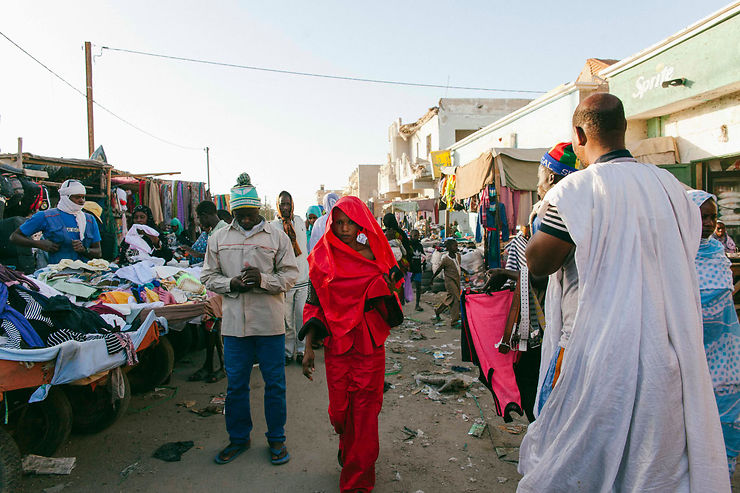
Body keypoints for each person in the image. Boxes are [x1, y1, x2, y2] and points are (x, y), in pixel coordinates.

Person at [519, 93, 728, 491]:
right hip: (663, 353)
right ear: (625, 128)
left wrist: (541, 214)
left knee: (570, 460)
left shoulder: (575, 192)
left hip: (594, 355)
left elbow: (538, 262)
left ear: (579, 134)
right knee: (647, 466)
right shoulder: (672, 189)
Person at [301, 196, 402, 493]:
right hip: (337, 344)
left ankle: (357, 482)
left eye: (349, 223)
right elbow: (313, 302)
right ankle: (349, 450)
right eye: (339, 222)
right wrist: (308, 349)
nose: (344, 229)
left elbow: (396, 291)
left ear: (360, 224)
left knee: (365, 413)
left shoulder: (377, 255)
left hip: (369, 343)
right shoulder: (323, 256)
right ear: (331, 223)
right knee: (341, 413)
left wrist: (385, 285)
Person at [201, 173, 299, 466]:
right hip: (233, 326)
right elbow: (207, 276)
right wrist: (232, 284)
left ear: (259, 211)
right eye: (240, 216)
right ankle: (239, 438)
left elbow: (291, 275)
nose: (245, 221)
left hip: (269, 324)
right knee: (236, 386)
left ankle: (277, 439)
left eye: (250, 215)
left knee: (275, 385)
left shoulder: (277, 236)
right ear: (233, 213)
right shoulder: (218, 238)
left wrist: (263, 280)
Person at [688, 189, 740, 477]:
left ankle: (721, 477)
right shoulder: (675, 254)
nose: (708, 224)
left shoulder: (717, 252)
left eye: (712, 217)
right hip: (691, 353)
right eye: (702, 216)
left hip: (724, 354)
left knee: (726, 417)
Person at [11, 179, 101, 264]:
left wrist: (85, 250)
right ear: (66, 197)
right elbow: (14, 237)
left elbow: (98, 252)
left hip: (85, 275)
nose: (81, 201)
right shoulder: (46, 216)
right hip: (56, 275)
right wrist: (38, 244)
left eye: (83, 197)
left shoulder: (89, 219)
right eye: (77, 197)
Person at [187, 200, 229, 383]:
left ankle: (223, 367)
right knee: (210, 326)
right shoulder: (214, 232)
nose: (199, 222)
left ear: (204, 216)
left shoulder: (223, 232)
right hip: (215, 285)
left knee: (218, 328)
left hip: (223, 287)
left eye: (199, 218)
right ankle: (209, 365)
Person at [273, 191, 309, 365]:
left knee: (301, 318)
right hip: (285, 281)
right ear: (278, 206)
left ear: (292, 204)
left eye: (288, 204)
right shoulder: (273, 227)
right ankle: (288, 352)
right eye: (282, 205)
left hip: (303, 280)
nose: (285, 207)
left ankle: (301, 351)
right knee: (287, 322)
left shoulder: (300, 222)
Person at [383, 213, 412, 303]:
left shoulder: (387, 233)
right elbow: (407, 248)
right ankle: (398, 300)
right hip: (397, 262)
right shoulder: (399, 232)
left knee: (395, 281)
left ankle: (397, 300)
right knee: (397, 282)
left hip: (393, 262)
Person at [431, 239, 461, 327]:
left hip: (457, 280)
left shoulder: (458, 256)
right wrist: (432, 279)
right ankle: (454, 321)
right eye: (454, 246)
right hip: (449, 281)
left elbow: (458, 266)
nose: (456, 247)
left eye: (456, 246)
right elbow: (439, 269)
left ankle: (438, 310)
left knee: (450, 298)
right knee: (456, 299)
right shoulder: (445, 259)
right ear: (448, 248)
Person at [409, 229, 425, 311]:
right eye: (415, 235)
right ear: (411, 235)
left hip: (418, 269)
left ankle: (417, 305)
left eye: (417, 235)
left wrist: (424, 264)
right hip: (409, 269)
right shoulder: (408, 245)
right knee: (405, 286)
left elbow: (423, 255)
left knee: (418, 287)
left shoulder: (419, 245)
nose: (416, 237)